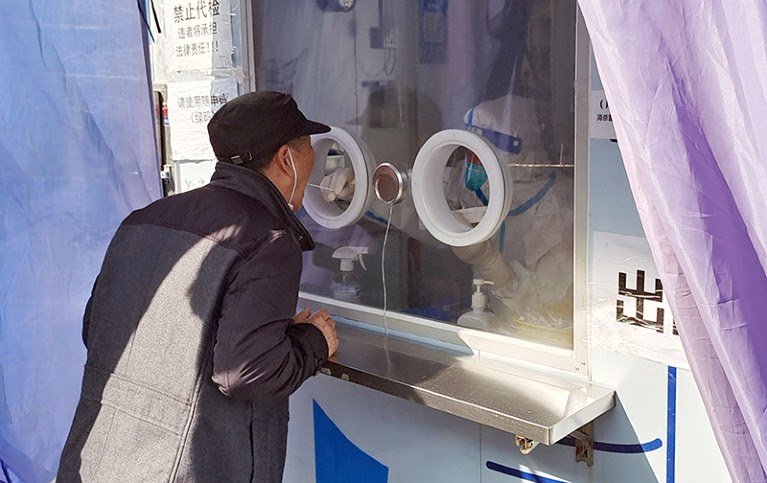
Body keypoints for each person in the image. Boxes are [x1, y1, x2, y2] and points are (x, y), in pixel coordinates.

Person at [57, 91, 339, 482]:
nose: (313, 158)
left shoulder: (143, 220)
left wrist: (263, 333)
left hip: (96, 459)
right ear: (285, 158)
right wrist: (312, 343)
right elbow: (245, 372)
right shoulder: (268, 240)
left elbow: (99, 329)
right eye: (307, 145)